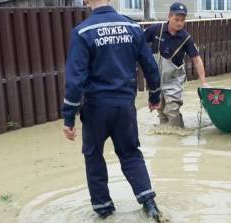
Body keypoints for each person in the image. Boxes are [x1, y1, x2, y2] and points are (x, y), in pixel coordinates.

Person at [62, 0, 162, 220]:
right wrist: (155, 96)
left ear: (86, 1)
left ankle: (104, 210)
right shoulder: (133, 28)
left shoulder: (82, 32)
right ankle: (150, 204)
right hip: (125, 107)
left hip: (96, 108)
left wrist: (68, 117)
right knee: (130, 153)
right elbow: (151, 67)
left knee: (93, 155)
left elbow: (75, 80)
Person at [145, 2, 209, 128]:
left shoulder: (186, 38)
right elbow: (138, 41)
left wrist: (204, 82)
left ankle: (180, 133)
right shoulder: (156, 29)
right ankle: (166, 141)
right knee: (161, 111)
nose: (180, 23)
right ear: (169, 16)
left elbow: (197, 60)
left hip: (174, 79)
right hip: (156, 80)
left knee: (172, 109)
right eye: (176, 19)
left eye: (182, 20)